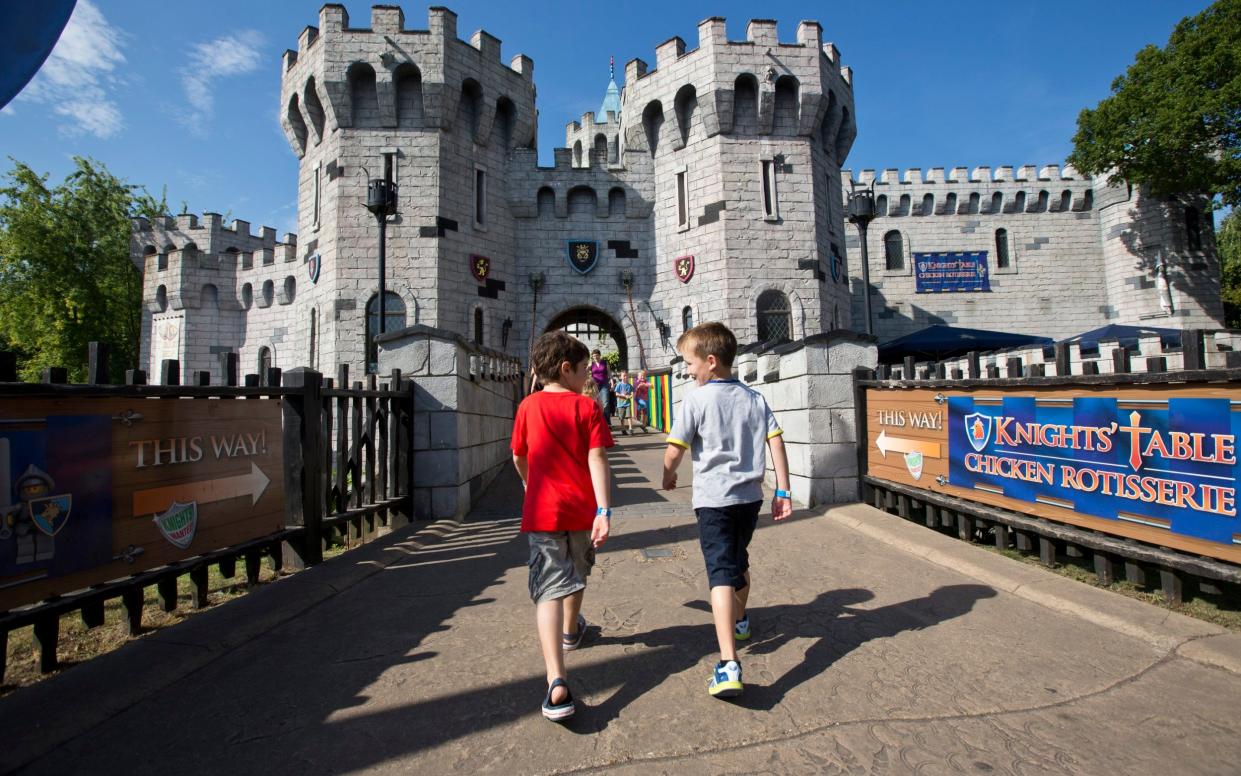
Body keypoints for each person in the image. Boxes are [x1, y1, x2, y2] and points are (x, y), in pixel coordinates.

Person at [661, 321, 792, 699]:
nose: (687, 370)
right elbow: (776, 441)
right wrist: (782, 489)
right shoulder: (754, 398)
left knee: (719, 572)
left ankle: (728, 663)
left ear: (711, 362)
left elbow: (674, 450)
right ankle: (740, 620)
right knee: (738, 561)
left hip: (714, 501)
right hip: (750, 499)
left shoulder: (697, 400)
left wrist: (667, 475)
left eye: (689, 363)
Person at [512, 331, 615, 722]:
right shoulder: (587, 408)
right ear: (567, 368)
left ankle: (557, 680)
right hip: (581, 512)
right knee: (577, 571)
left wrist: (529, 485)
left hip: (543, 512)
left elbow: (519, 457)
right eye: (585, 369)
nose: (588, 376)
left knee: (548, 590)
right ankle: (572, 630)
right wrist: (603, 510)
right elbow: (598, 460)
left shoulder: (528, 407)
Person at [589, 349, 610, 421]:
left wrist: (612, 382)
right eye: (594, 356)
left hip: (604, 384)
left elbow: (609, 373)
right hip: (595, 386)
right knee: (595, 403)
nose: (595, 357)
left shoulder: (605, 363)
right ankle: (597, 420)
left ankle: (607, 421)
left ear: (600, 355)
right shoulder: (591, 364)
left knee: (605, 403)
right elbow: (585, 371)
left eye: (597, 355)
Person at [614, 370, 634, 435]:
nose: (625, 377)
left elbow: (632, 393)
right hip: (620, 404)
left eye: (626, 376)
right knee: (621, 417)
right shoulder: (619, 384)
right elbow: (616, 394)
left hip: (627, 403)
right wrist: (623, 395)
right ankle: (623, 428)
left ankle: (630, 428)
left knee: (629, 416)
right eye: (624, 376)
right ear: (621, 377)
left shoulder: (629, 385)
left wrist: (630, 396)